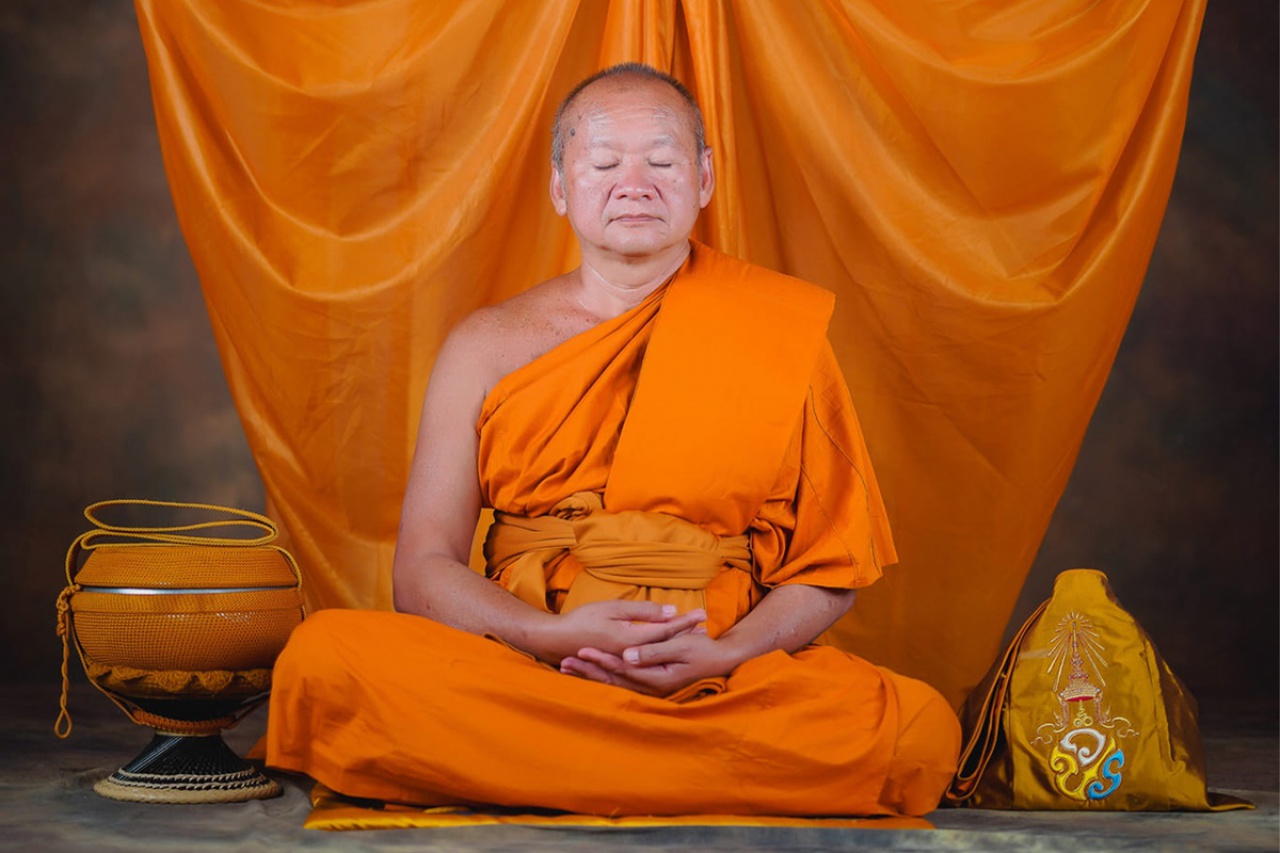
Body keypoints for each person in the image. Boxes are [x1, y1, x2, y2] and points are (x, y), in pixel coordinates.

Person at [266, 62, 960, 817]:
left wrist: (725, 653)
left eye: (661, 161)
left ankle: (550, 768)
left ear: (703, 178)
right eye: (603, 164)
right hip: (529, 666)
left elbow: (830, 568)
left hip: (719, 676)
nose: (634, 184)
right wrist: (551, 635)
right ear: (561, 188)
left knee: (919, 729)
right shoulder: (486, 344)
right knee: (326, 659)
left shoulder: (777, 332)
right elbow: (422, 569)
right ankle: (679, 769)